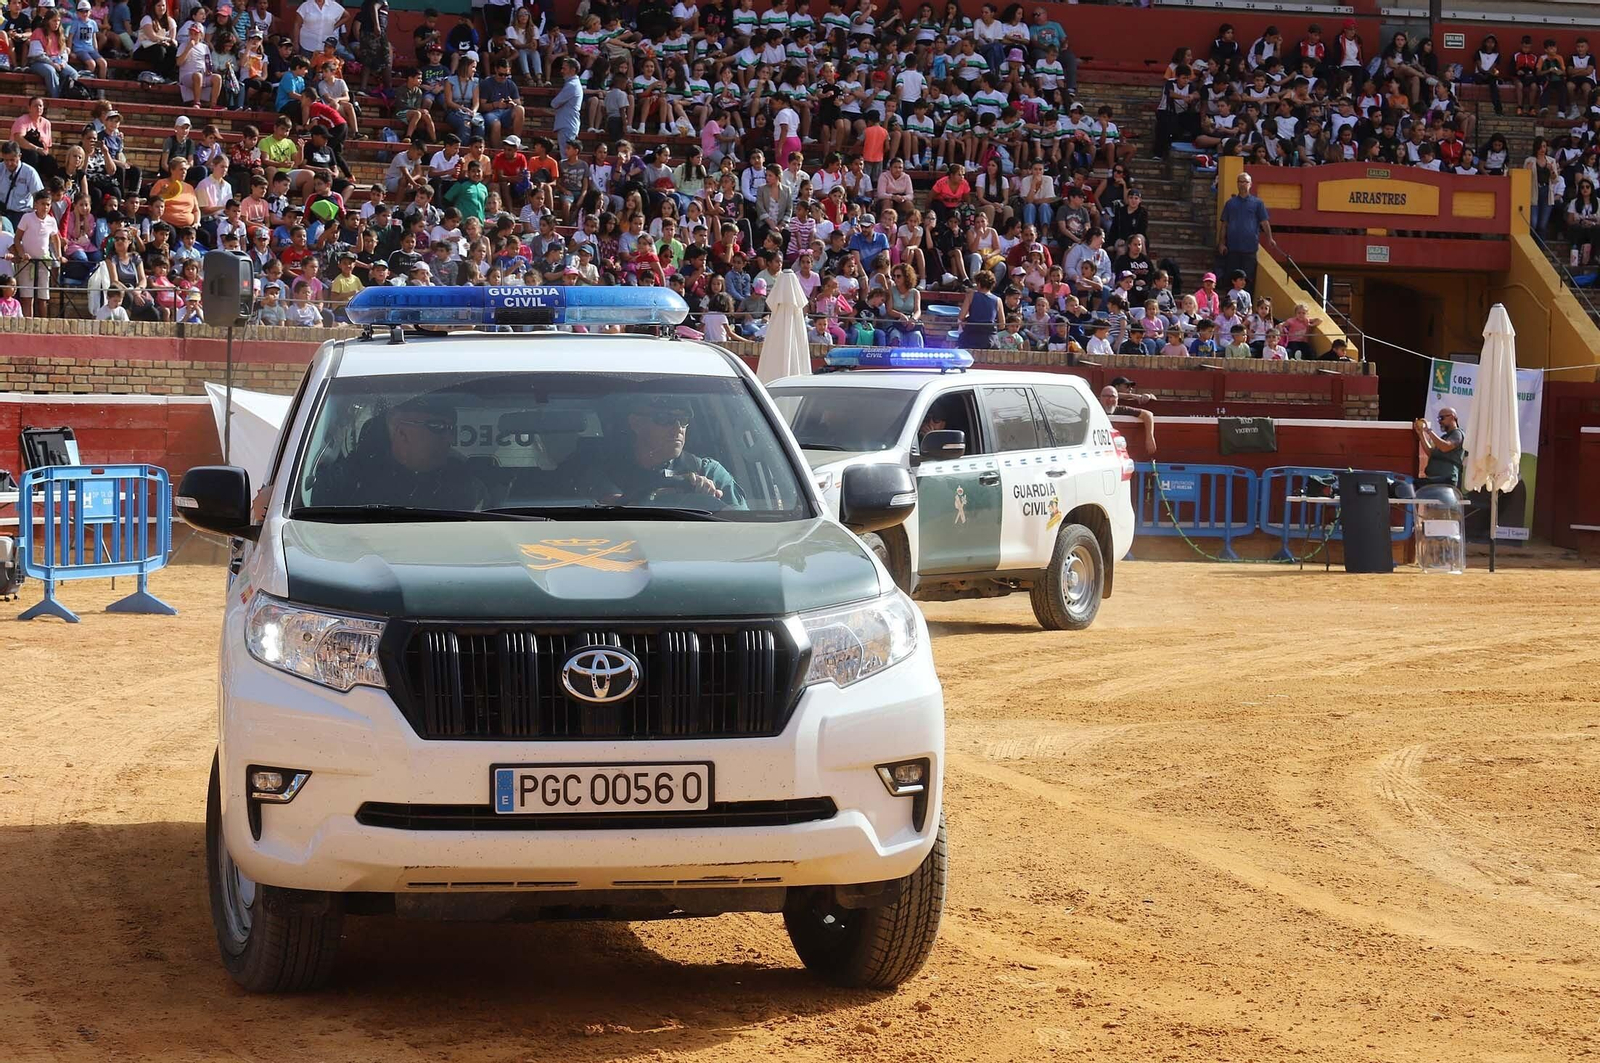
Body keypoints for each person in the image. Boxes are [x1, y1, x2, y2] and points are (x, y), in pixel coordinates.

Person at [311, 392, 489, 509]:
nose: (451, 440)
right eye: (438, 426)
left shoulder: (464, 482)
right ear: (401, 432)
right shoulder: (344, 482)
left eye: (452, 429)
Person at [577, 395, 747, 509]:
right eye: (664, 419)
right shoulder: (603, 472)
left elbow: (746, 532)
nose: (677, 428)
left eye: (684, 419)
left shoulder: (709, 472)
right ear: (636, 423)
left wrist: (708, 500)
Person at [1217, 171, 1275, 292]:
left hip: (1249, 249)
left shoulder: (1258, 203)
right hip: (1232, 248)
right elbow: (1224, 225)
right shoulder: (1230, 203)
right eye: (1241, 182)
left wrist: (1270, 238)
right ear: (1237, 184)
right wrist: (1221, 243)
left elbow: (1264, 222)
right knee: (1231, 279)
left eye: (1246, 182)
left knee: (1247, 280)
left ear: (1250, 184)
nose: (1243, 184)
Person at [1415, 406, 1465, 488]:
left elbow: (1445, 447)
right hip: (1435, 479)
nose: (1439, 422)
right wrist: (1421, 434)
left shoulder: (1458, 433)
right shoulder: (1444, 437)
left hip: (1446, 480)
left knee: (1415, 485)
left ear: (1452, 417)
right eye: (1438, 419)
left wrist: (1428, 430)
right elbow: (1431, 453)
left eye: (1441, 418)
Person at [1099, 384, 1156, 454]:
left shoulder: (1121, 409)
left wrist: (1150, 438)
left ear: (1117, 399)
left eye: (1113, 396)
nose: (1110, 399)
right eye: (1106, 396)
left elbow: (1148, 414)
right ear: (1100, 398)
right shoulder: (1094, 409)